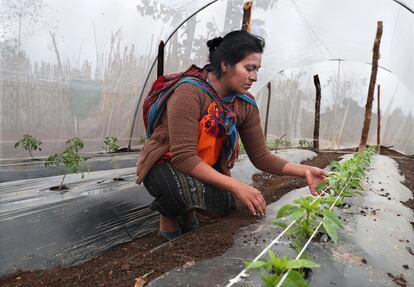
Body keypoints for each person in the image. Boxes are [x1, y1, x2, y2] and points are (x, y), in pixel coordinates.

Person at [136, 30, 326, 240]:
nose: (254, 77)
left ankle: (187, 211)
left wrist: (306, 170)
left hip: (203, 167)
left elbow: (261, 157)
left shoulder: (244, 104)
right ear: (225, 64)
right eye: (249, 68)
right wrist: (238, 185)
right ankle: (169, 216)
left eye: (257, 70)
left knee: (225, 205)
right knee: (179, 193)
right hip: (166, 163)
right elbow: (184, 157)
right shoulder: (190, 92)